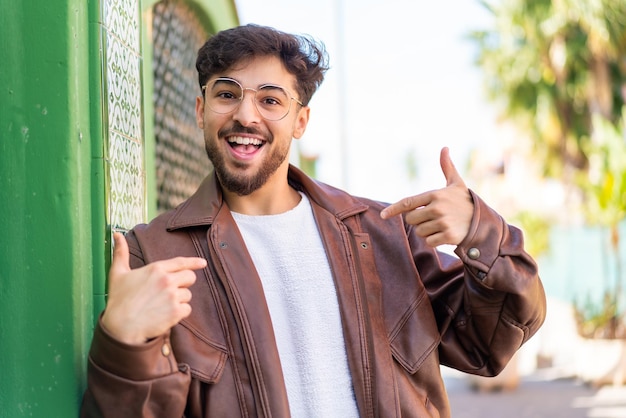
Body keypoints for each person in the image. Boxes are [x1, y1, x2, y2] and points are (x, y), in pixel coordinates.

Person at [81, 24, 546, 418]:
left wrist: (480, 234)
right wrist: (123, 343)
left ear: (300, 121)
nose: (246, 115)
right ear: (202, 111)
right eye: (227, 94)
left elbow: (490, 344)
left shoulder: (381, 232)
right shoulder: (155, 251)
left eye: (270, 100)